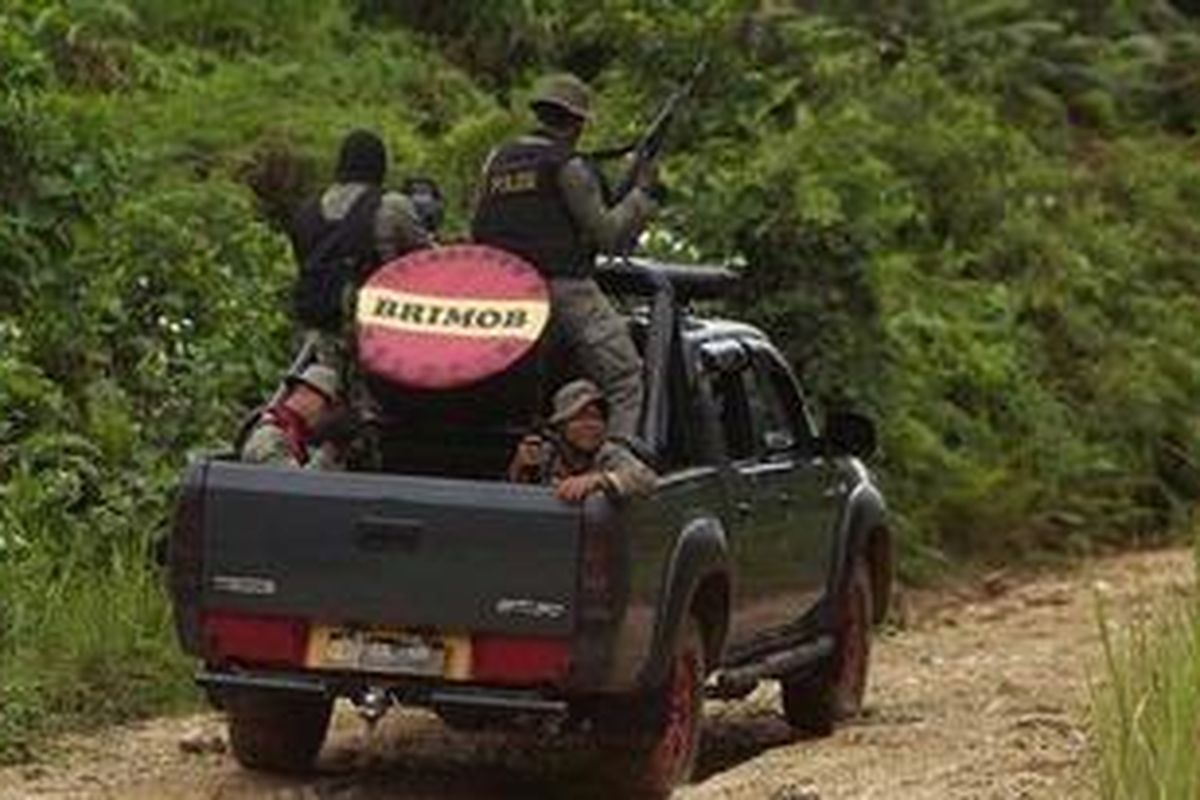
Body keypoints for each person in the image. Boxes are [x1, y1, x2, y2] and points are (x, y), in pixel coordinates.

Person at [472, 73, 662, 446]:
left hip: (498, 291)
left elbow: (477, 224)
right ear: (576, 123)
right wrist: (641, 195)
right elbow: (608, 234)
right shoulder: (567, 165)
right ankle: (618, 463)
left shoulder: (497, 159)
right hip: (562, 286)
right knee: (625, 379)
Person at [290, 129, 433, 367]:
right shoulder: (392, 205)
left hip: (310, 332)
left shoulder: (307, 211)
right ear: (380, 166)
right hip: (376, 334)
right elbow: (427, 263)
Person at [508, 379, 657, 503]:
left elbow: (646, 480)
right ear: (561, 426)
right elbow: (514, 499)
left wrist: (600, 481)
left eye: (596, 418)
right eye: (579, 418)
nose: (590, 425)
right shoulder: (547, 452)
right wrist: (519, 467)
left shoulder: (607, 453)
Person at [241, 364, 342, 469]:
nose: (323, 413)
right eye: (325, 407)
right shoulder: (270, 433)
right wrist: (327, 453)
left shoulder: (298, 437)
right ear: (312, 400)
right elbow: (291, 482)